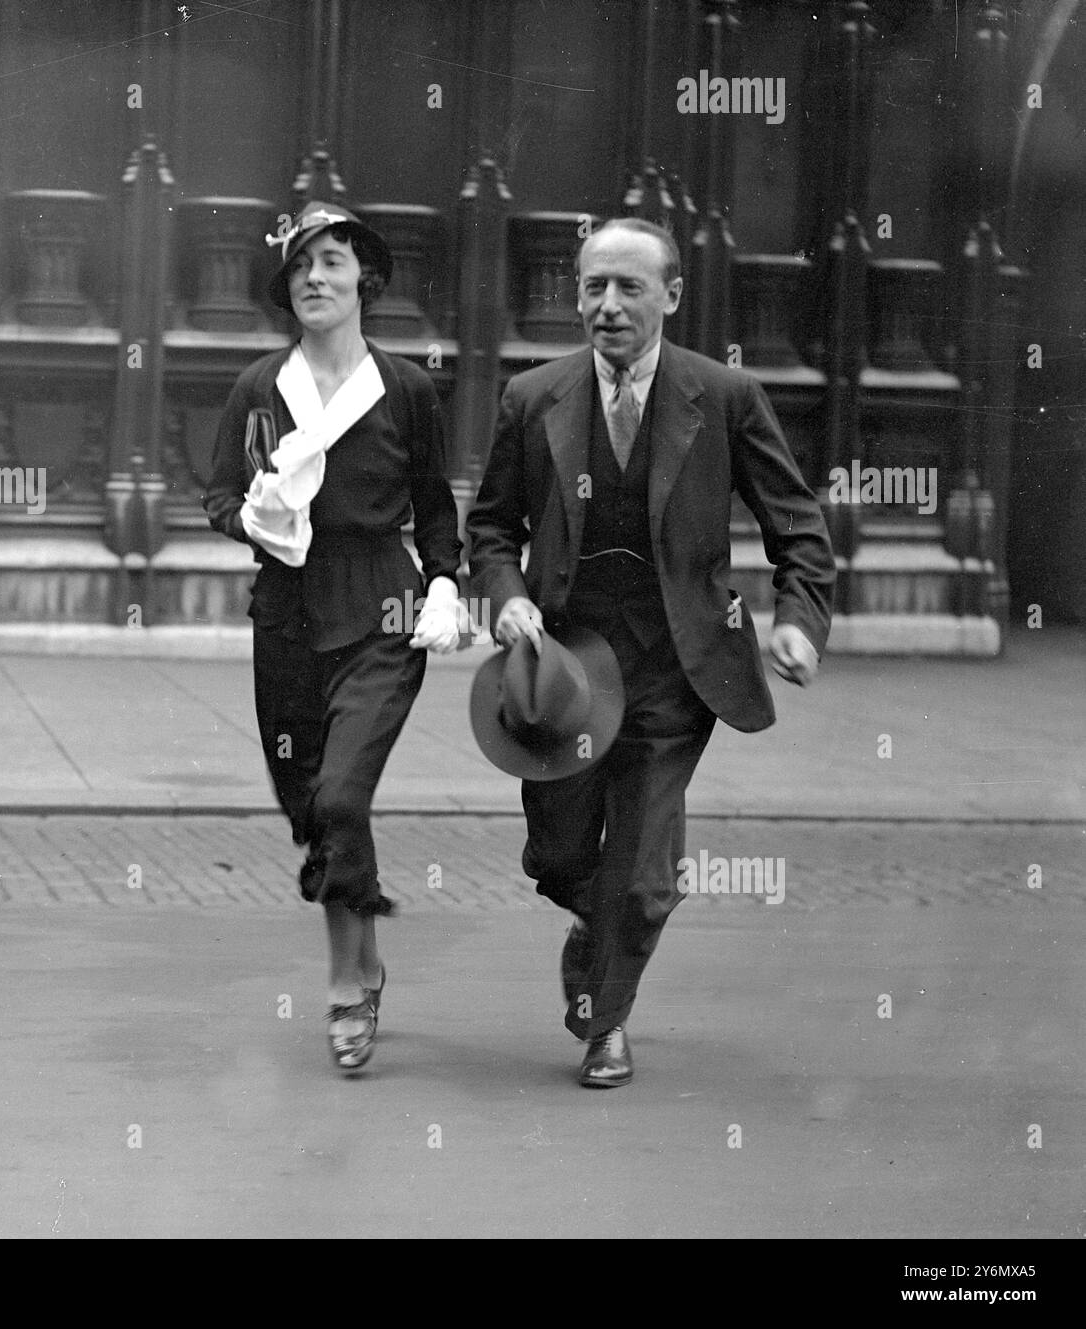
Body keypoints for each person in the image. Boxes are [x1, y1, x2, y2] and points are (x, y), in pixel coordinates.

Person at [466, 217, 835, 1088]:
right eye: (593, 286)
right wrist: (510, 600)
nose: (606, 305)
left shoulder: (725, 396)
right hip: (564, 674)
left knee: (641, 874)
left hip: (679, 665)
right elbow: (490, 527)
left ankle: (606, 1021)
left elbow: (800, 530)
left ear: (671, 296)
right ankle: (593, 927)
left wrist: (798, 621)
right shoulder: (534, 398)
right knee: (560, 854)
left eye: (629, 287)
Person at [203, 203, 463, 1072]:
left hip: (380, 614)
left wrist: (445, 582)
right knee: (313, 806)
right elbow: (216, 498)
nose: (316, 277)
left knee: (343, 794)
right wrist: (255, 517)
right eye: (300, 267)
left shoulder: (406, 390)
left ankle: (346, 984)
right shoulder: (257, 389)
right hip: (285, 615)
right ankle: (365, 959)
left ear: (365, 280)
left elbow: (435, 506)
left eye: (333, 262)